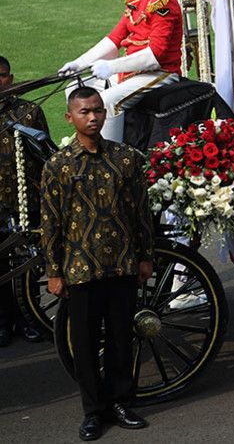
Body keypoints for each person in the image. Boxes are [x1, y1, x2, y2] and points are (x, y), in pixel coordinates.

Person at [39, 86, 153, 440]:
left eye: (98, 111)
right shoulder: (58, 165)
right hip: (80, 270)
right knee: (85, 346)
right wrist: (54, 272)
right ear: (69, 117)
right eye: (85, 112)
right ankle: (93, 411)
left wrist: (146, 256)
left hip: (121, 265)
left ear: (106, 113)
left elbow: (141, 212)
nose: (93, 118)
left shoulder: (126, 159)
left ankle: (121, 402)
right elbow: (51, 222)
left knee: (122, 338)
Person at [57, 0, 182, 142]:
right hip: (131, 71)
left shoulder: (163, 3)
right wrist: (79, 63)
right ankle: (86, 142)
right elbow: (115, 38)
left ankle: (109, 155)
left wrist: (111, 67)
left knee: (107, 101)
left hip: (159, 72)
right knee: (76, 86)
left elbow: (156, 55)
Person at [0, 56, 49, 347]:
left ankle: (31, 317)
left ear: (12, 78)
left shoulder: (29, 112)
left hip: (25, 202)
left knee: (27, 264)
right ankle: (4, 321)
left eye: (3, 76)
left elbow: (44, 159)